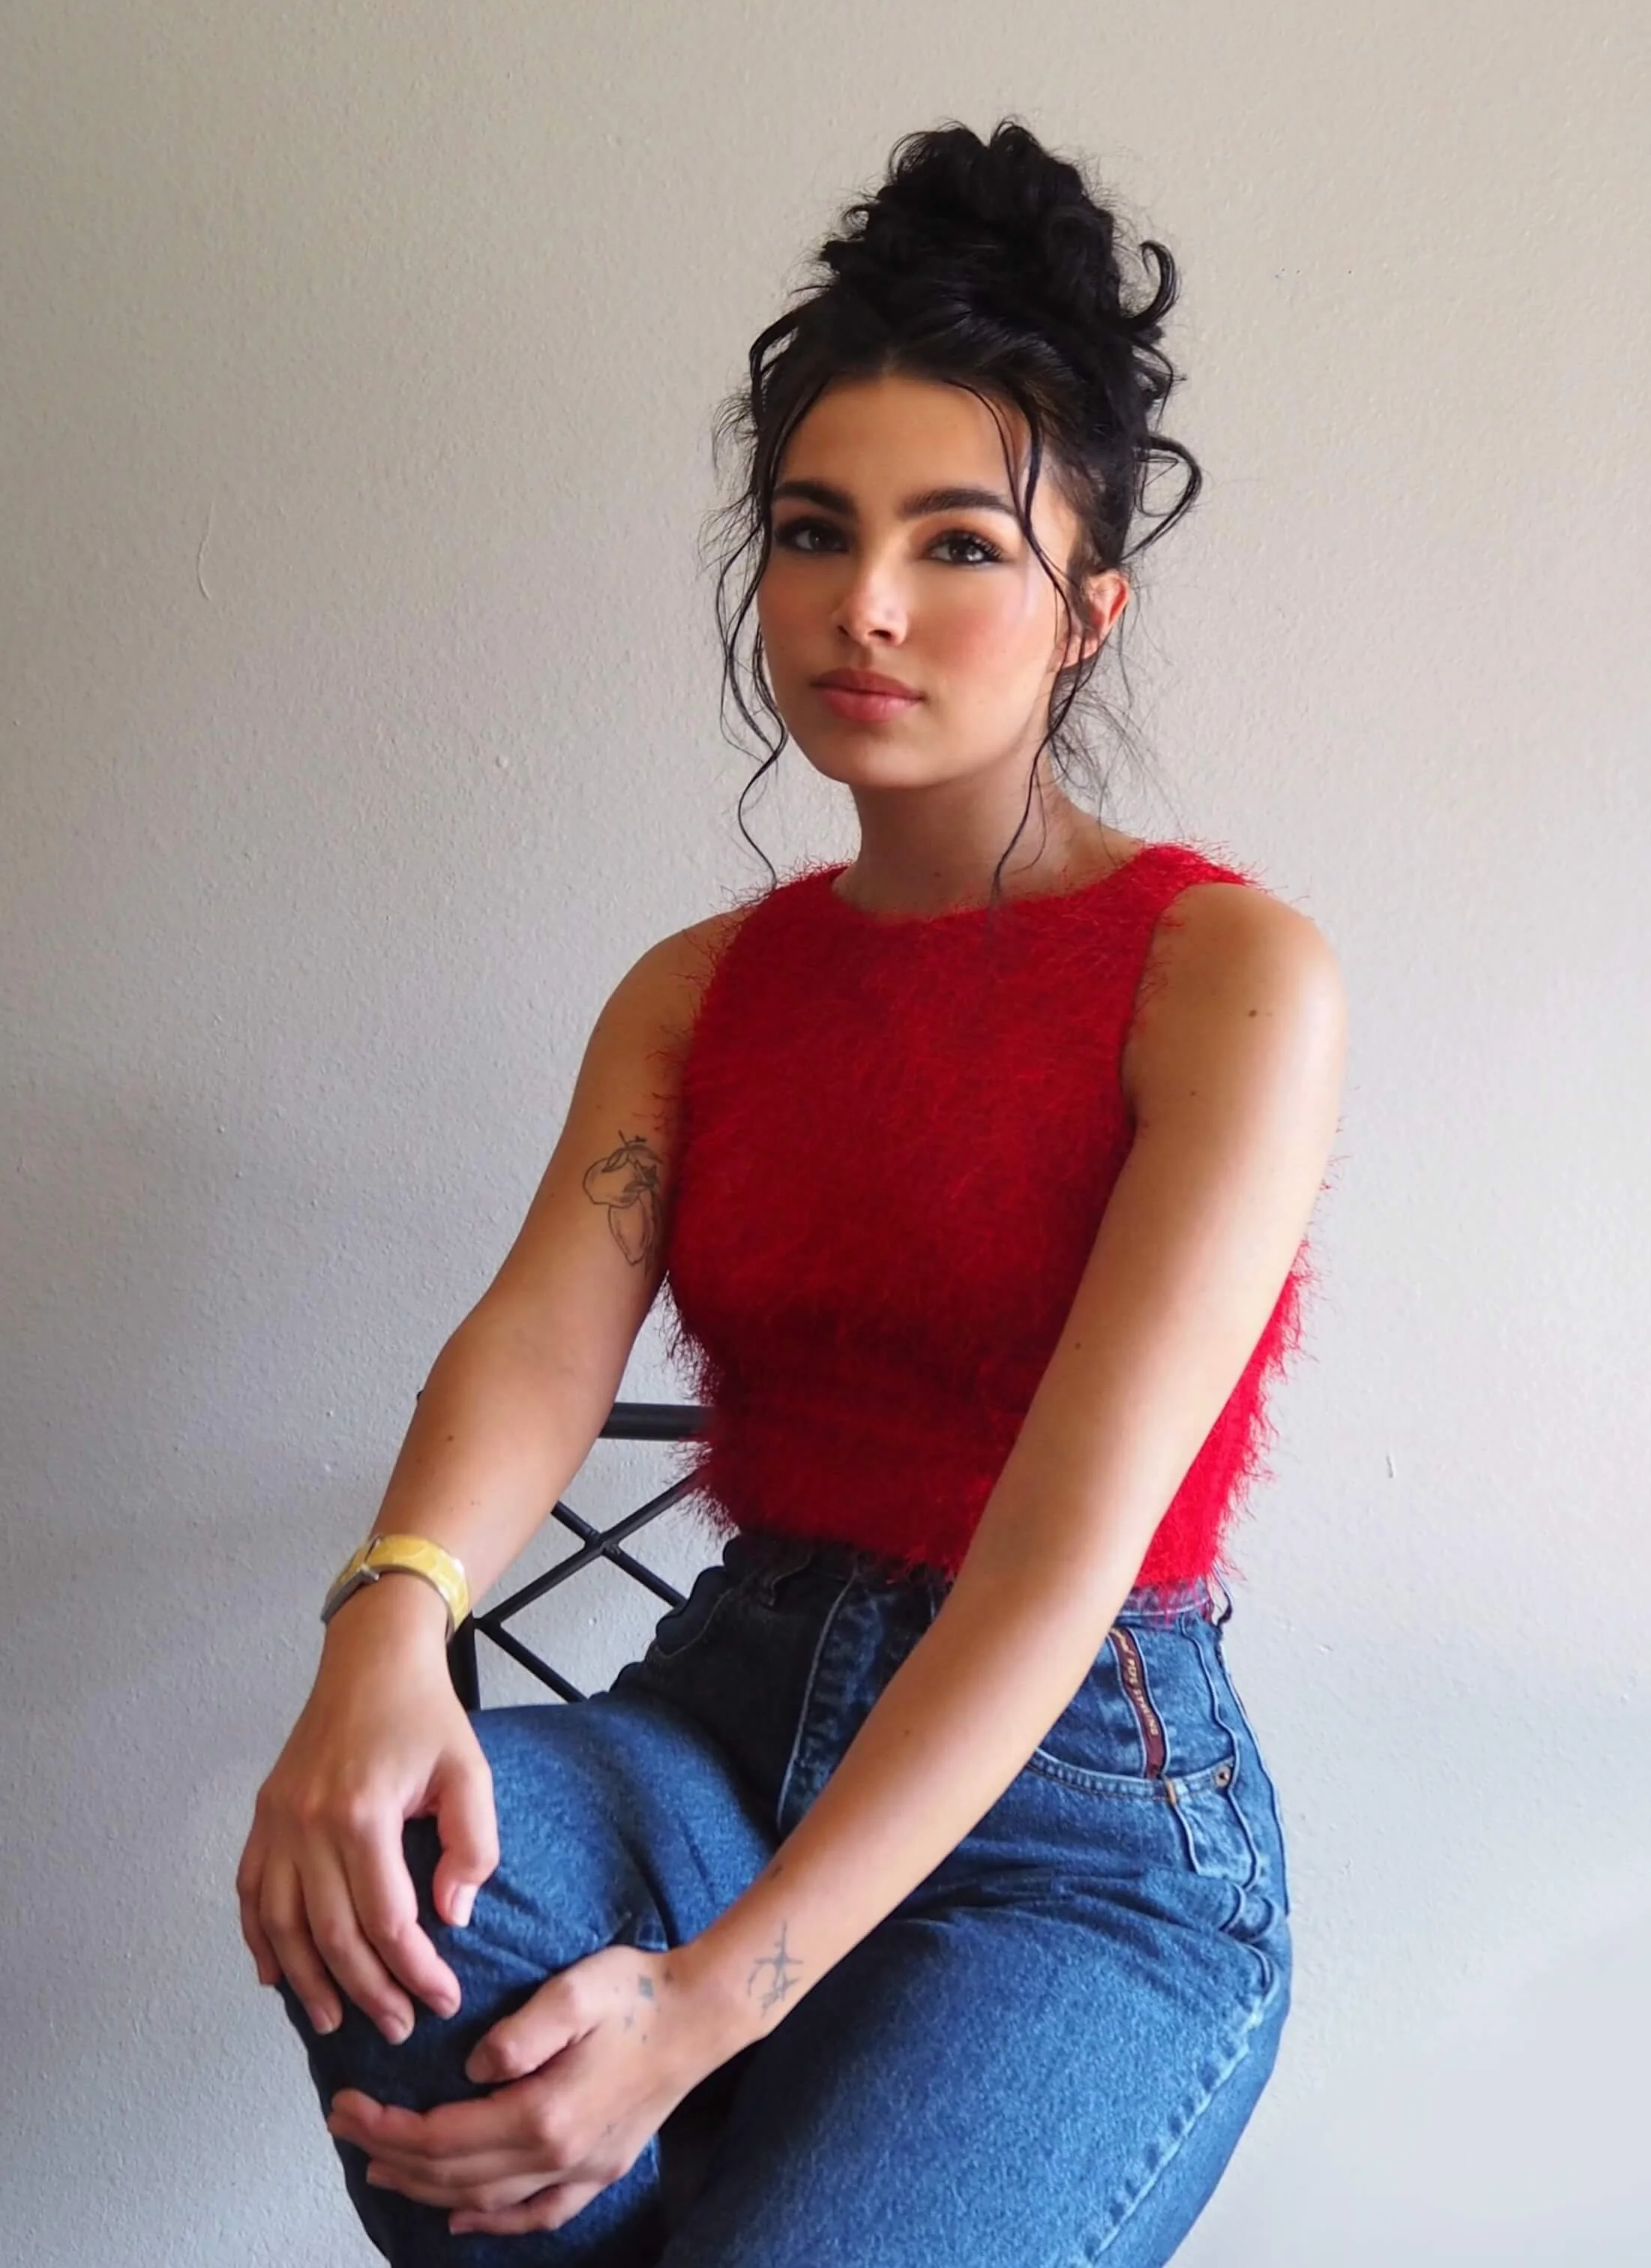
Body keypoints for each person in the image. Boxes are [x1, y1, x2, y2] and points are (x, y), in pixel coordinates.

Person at [236, 116, 1346, 2266]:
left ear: (1088, 614)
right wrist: (387, 1623)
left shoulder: (1223, 979)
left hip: (1073, 1835)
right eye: (814, 532)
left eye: (960, 546)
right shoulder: (699, 993)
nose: (865, 605)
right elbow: (539, 1332)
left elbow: (1056, 1554)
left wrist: (701, 2011)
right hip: (725, 1725)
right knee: (369, 1879)